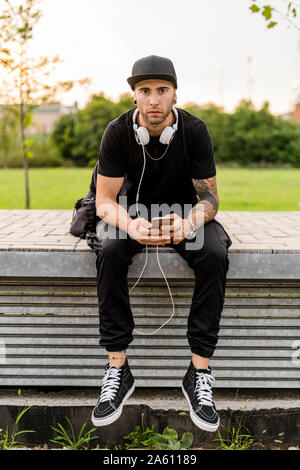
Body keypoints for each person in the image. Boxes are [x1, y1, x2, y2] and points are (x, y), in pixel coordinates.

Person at [91, 55, 232, 432]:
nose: (154, 99)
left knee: (216, 254)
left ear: (174, 94)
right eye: (145, 91)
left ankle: (198, 372)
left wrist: (189, 222)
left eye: (162, 90)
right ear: (134, 95)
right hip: (129, 211)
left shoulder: (195, 130)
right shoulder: (118, 132)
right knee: (110, 250)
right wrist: (131, 225)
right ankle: (118, 368)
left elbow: (212, 200)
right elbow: (104, 201)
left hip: (183, 213)